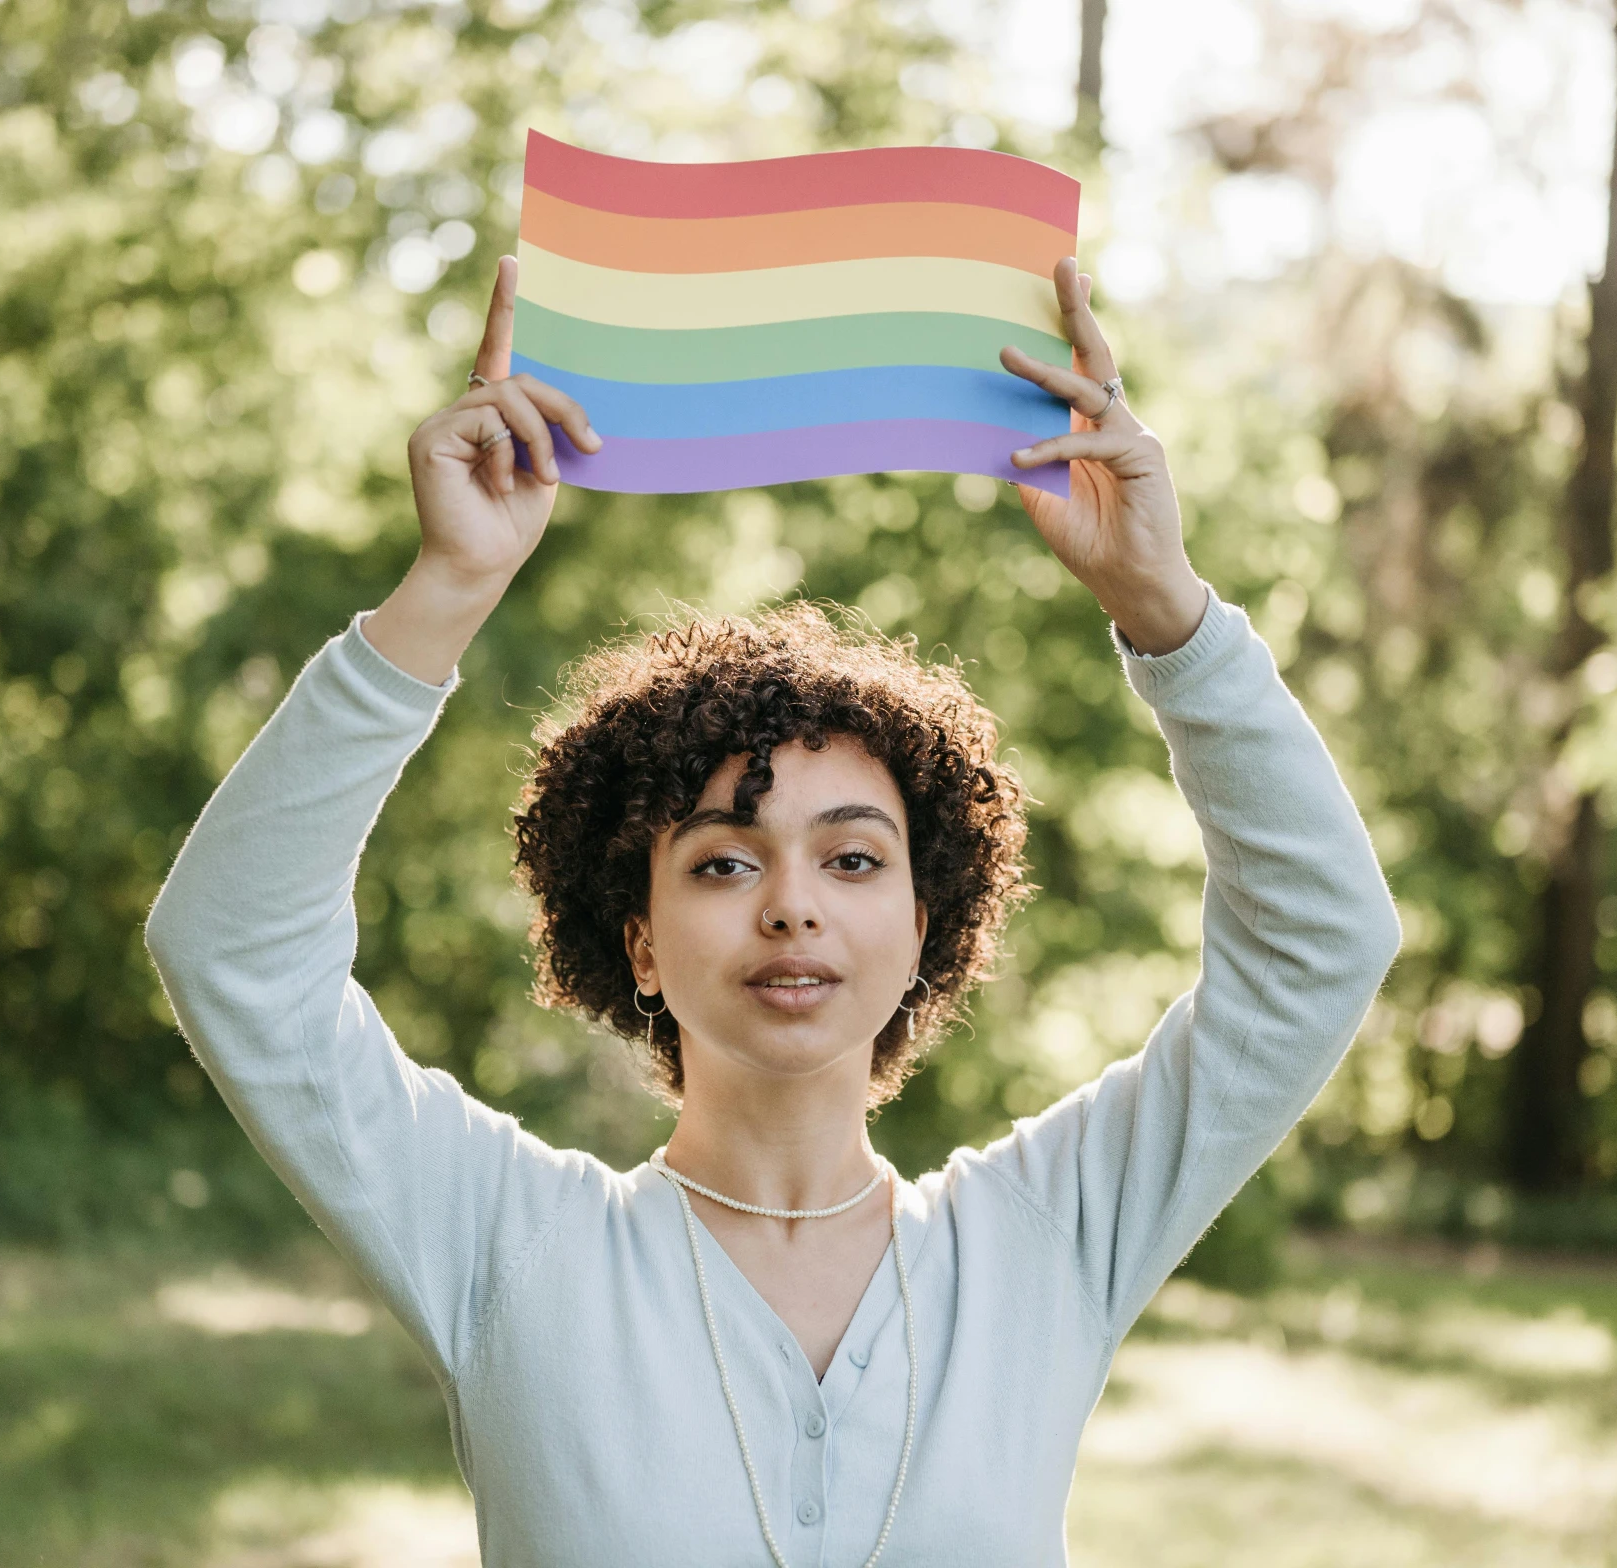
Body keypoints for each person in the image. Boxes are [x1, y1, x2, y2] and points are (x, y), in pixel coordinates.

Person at [144, 252, 1400, 1566]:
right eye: (725, 863)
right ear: (636, 935)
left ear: (925, 926)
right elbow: (234, 950)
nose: (792, 907)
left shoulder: (1044, 1243)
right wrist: (446, 588)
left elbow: (1321, 949)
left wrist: (1166, 612)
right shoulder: (510, 1250)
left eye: (853, 861)